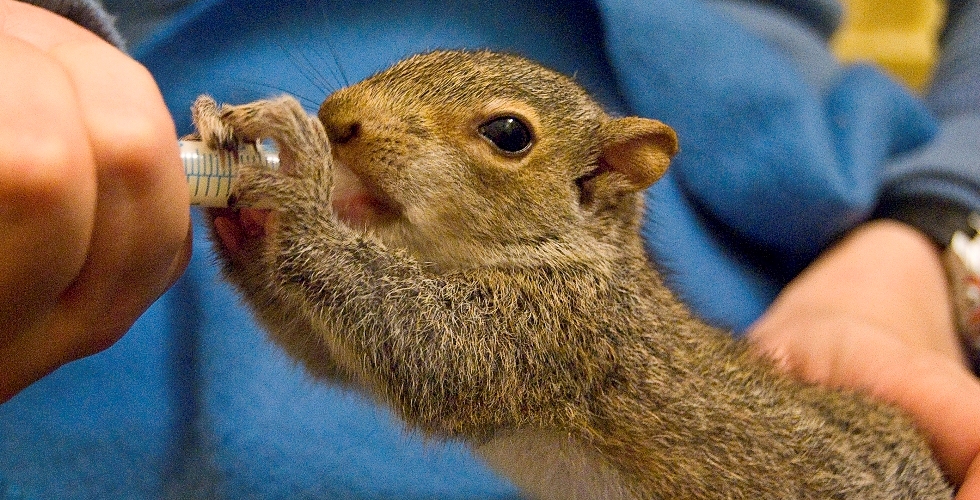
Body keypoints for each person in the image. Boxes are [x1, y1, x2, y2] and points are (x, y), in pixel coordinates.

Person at [0, 0, 977, 498]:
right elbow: (345, 355)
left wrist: (935, 233)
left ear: (598, 186)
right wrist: (256, 249)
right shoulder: (426, 272)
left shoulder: (569, 303)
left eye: (503, 138)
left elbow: (442, 378)